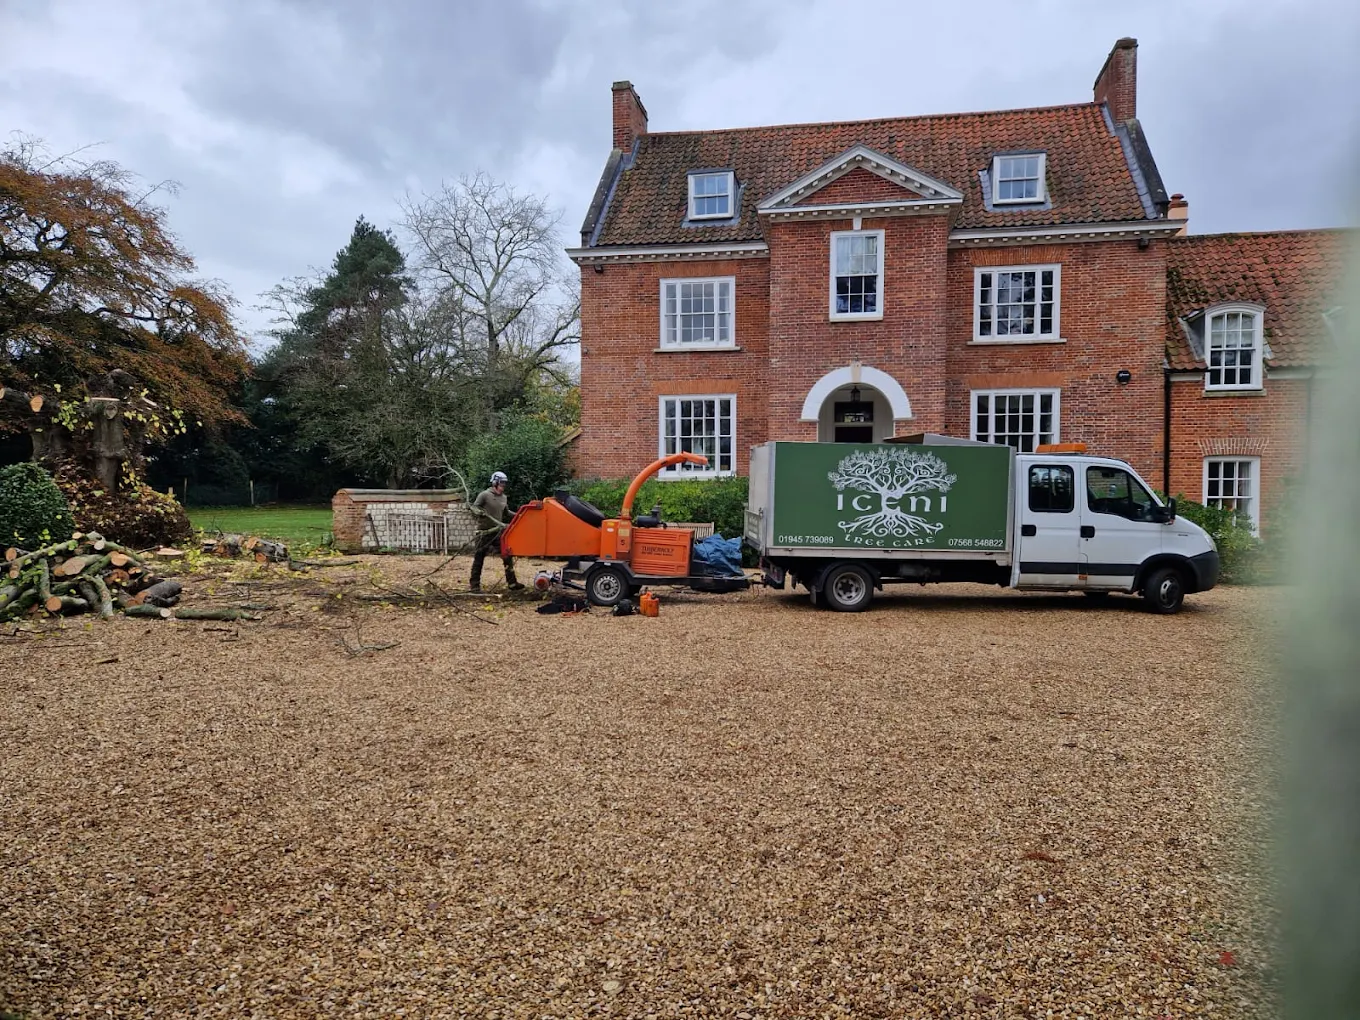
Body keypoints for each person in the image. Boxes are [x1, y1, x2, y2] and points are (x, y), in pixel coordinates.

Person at [469, 470, 523, 592]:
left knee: (507, 556)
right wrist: (478, 512)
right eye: (501, 483)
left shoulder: (504, 498)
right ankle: (474, 585)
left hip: (498, 532)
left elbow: (506, 512)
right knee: (479, 558)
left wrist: (520, 516)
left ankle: (512, 583)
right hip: (484, 532)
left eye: (505, 483)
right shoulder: (484, 495)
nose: (503, 485)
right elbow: (474, 507)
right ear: (495, 482)